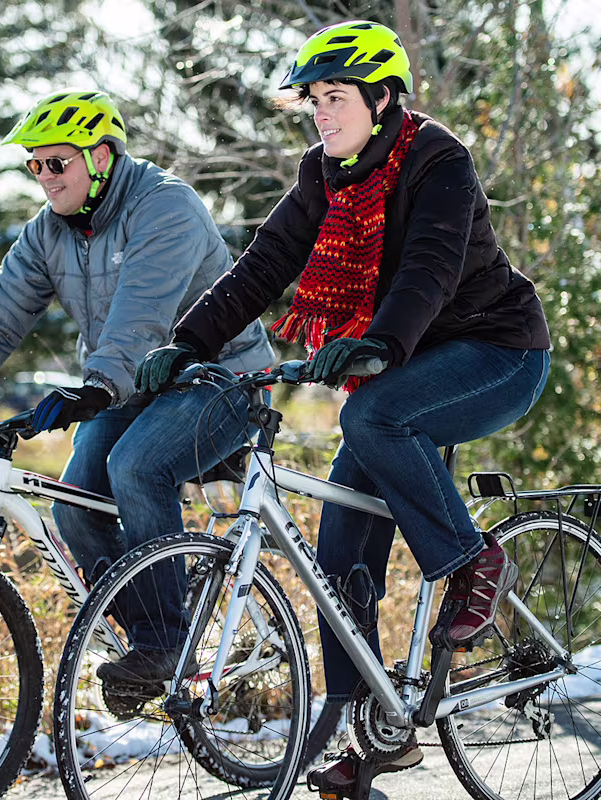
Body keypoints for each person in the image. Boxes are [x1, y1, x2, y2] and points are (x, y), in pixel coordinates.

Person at [135, 20, 551, 793]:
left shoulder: (438, 162)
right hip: (405, 365)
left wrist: (381, 346)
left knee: (370, 415)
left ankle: (471, 561)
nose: (321, 114)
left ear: (383, 97)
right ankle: (375, 730)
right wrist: (188, 343)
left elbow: (429, 269)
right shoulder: (321, 174)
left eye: (336, 97)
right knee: (337, 558)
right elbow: (259, 270)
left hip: (496, 353)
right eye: (314, 101)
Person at [0, 88, 274, 685]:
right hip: (129, 388)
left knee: (135, 467)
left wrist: (95, 385)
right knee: (73, 507)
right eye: (34, 164)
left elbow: (141, 313)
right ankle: (154, 637)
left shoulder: (164, 207)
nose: (44, 177)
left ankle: (165, 646)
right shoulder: (48, 233)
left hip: (221, 380)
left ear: (101, 157)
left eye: (57, 162)